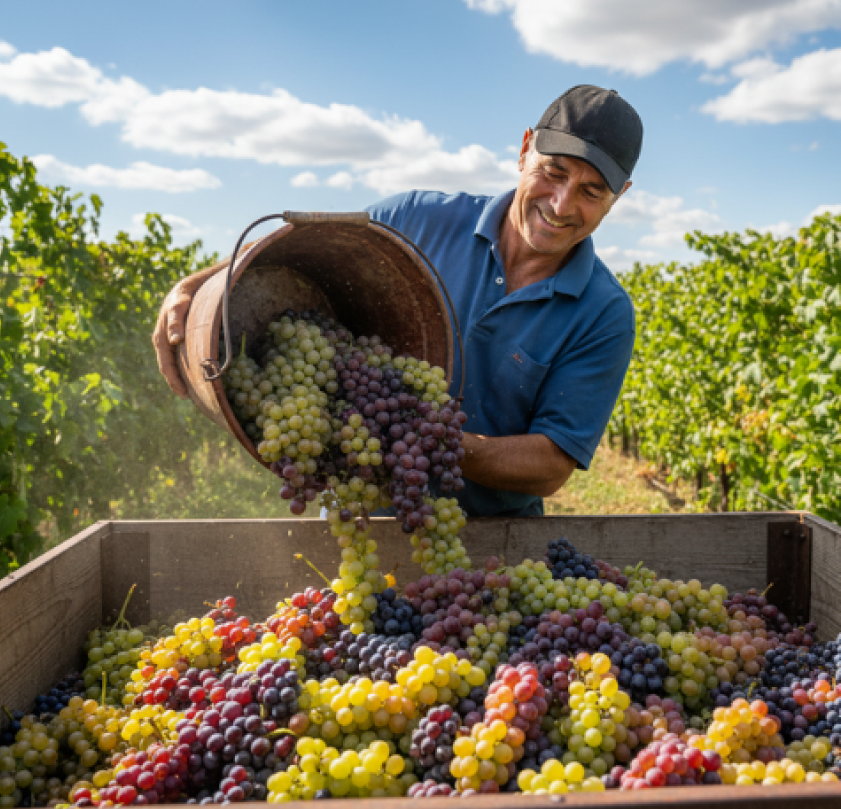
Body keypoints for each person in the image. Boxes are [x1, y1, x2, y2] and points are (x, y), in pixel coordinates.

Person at [153, 84, 643, 518]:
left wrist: (425, 440)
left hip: (496, 549)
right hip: (362, 521)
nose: (560, 204)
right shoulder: (416, 220)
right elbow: (294, 249)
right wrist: (193, 286)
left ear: (617, 196)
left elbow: (551, 464)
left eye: (590, 192)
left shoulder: (603, 312)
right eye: (553, 172)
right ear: (523, 150)